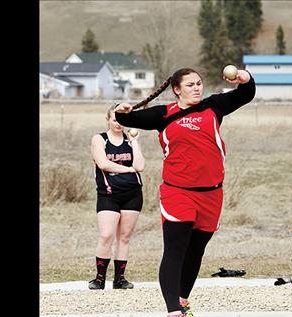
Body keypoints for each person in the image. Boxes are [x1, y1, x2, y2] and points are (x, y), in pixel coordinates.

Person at [114, 67, 255, 316]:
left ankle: (183, 300)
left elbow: (245, 95)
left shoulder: (213, 107)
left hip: (212, 193)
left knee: (196, 249)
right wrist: (122, 111)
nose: (197, 88)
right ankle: (173, 311)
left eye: (199, 83)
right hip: (178, 192)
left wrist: (246, 80)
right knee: (176, 248)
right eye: (190, 85)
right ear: (177, 90)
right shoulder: (163, 115)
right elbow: (129, 119)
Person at [88, 104, 145, 290]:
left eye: (121, 120)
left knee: (124, 237)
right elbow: (104, 164)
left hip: (132, 193)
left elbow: (140, 165)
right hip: (108, 194)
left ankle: (120, 279)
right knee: (106, 235)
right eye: (115, 119)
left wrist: (135, 142)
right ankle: (99, 278)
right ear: (108, 119)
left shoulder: (130, 140)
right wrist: (128, 169)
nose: (118, 123)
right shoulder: (100, 139)